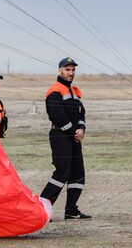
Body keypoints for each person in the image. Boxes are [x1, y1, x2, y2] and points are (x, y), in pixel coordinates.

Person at [40, 57, 91, 220]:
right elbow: (56, 116)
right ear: (59, 70)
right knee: (62, 172)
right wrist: (73, 133)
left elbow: (81, 113)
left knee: (78, 174)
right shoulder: (54, 91)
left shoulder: (75, 91)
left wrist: (81, 129)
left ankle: (71, 210)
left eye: (73, 70)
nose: (70, 73)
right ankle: (40, 208)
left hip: (74, 138)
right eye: (67, 69)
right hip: (60, 137)